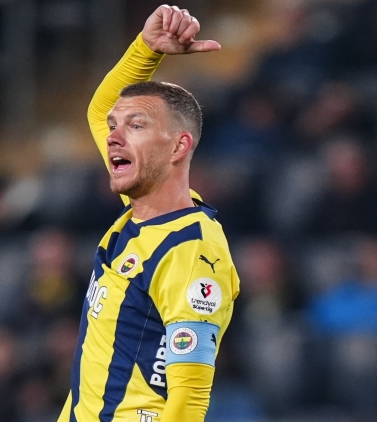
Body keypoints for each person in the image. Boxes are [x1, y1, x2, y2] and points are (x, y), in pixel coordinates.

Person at [57, 5, 240, 422]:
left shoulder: (191, 252)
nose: (113, 137)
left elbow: (189, 399)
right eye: (114, 126)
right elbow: (99, 109)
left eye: (135, 126)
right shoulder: (144, 213)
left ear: (178, 146)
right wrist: (146, 48)